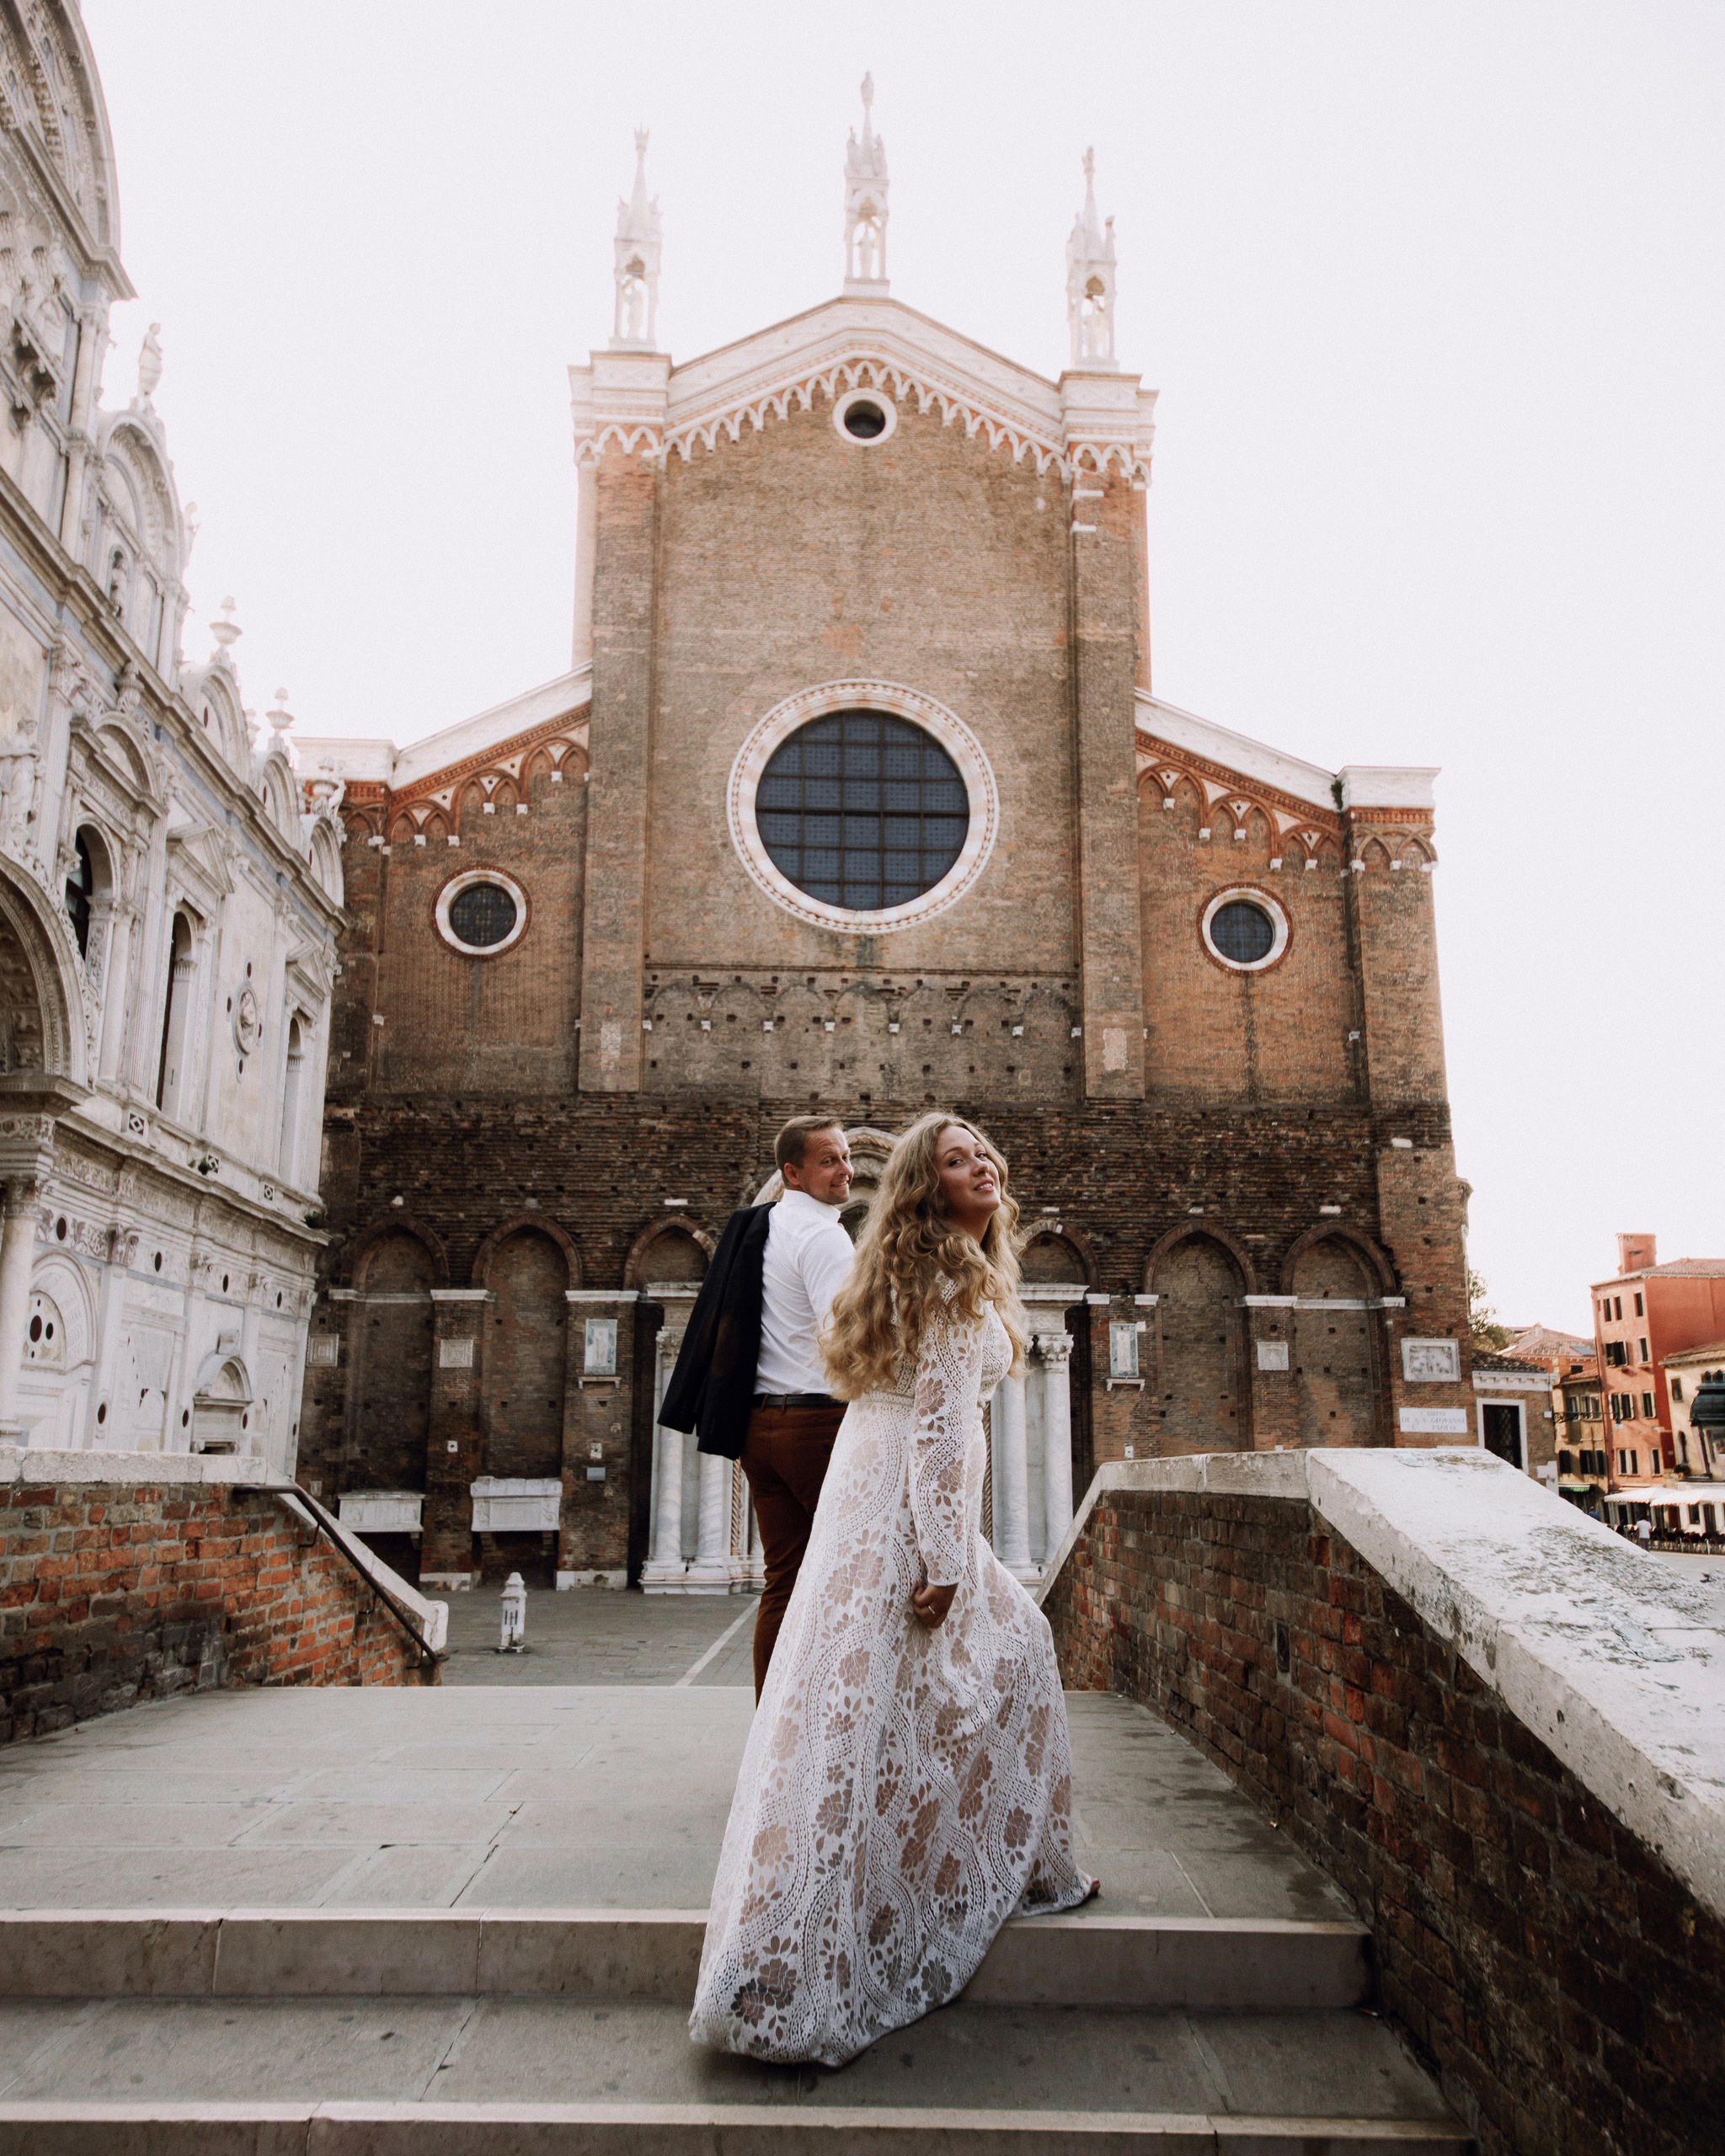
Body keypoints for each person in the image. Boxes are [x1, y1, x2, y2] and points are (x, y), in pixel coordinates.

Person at [689, 1112, 1094, 2068]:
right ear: (922, 1184)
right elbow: (941, 1427)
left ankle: (870, 1894)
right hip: (902, 1504)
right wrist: (945, 1558)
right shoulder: (953, 1279)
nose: (980, 1165)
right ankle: (968, 1883)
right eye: (957, 1159)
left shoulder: (912, 1265)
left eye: (984, 1152)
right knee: (1002, 1655)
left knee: (851, 1696)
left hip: (861, 1494)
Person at [659, 1116, 855, 1696]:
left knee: (784, 1582)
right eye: (828, 1160)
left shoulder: (760, 1226)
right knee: (857, 1573)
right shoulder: (822, 1236)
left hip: (760, 1428)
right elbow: (847, 1339)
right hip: (816, 1426)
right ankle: (835, 1725)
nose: (844, 1169)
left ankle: (774, 1729)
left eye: (845, 1157)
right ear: (793, 1172)